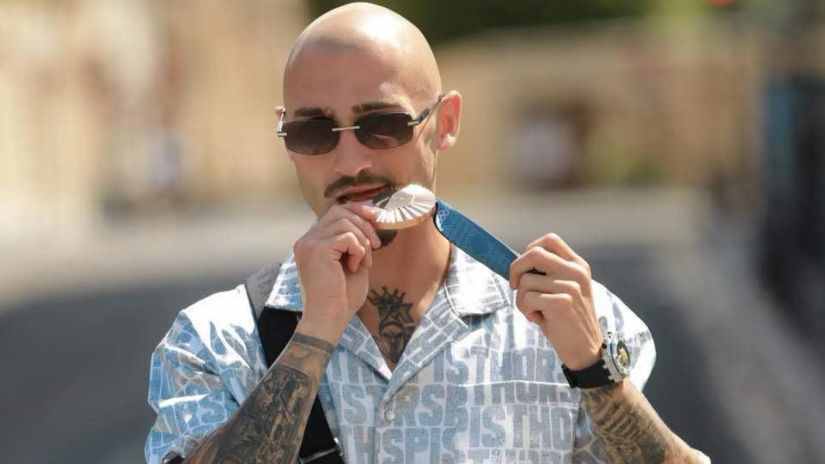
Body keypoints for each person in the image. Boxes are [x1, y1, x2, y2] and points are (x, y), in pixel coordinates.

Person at [145, 3, 710, 463]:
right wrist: (312, 336)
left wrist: (593, 369)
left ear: (445, 123)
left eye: (383, 125)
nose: (351, 162)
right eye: (314, 130)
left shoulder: (564, 320)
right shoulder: (217, 340)